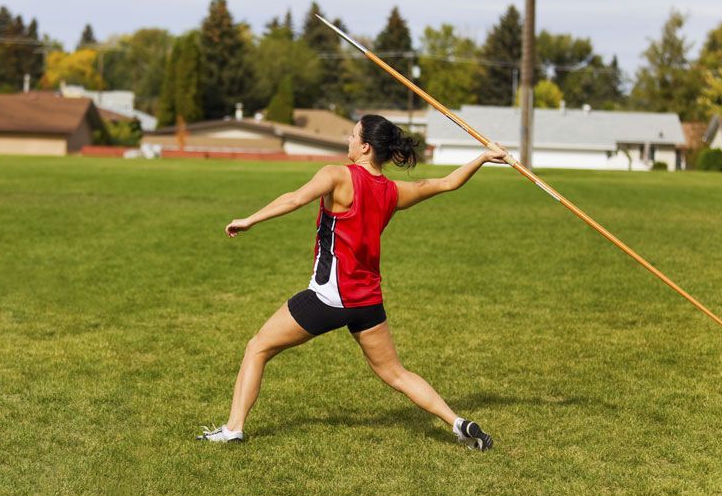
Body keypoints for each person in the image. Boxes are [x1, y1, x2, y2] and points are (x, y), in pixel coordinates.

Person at [198, 115, 506, 450]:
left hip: (328, 298)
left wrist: (249, 219)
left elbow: (294, 199)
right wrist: (483, 157)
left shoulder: (336, 175)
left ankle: (233, 429)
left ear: (365, 146)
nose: (347, 139)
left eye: (352, 134)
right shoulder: (392, 191)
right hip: (368, 302)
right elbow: (446, 183)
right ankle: (458, 424)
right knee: (396, 374)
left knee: (257, 347)